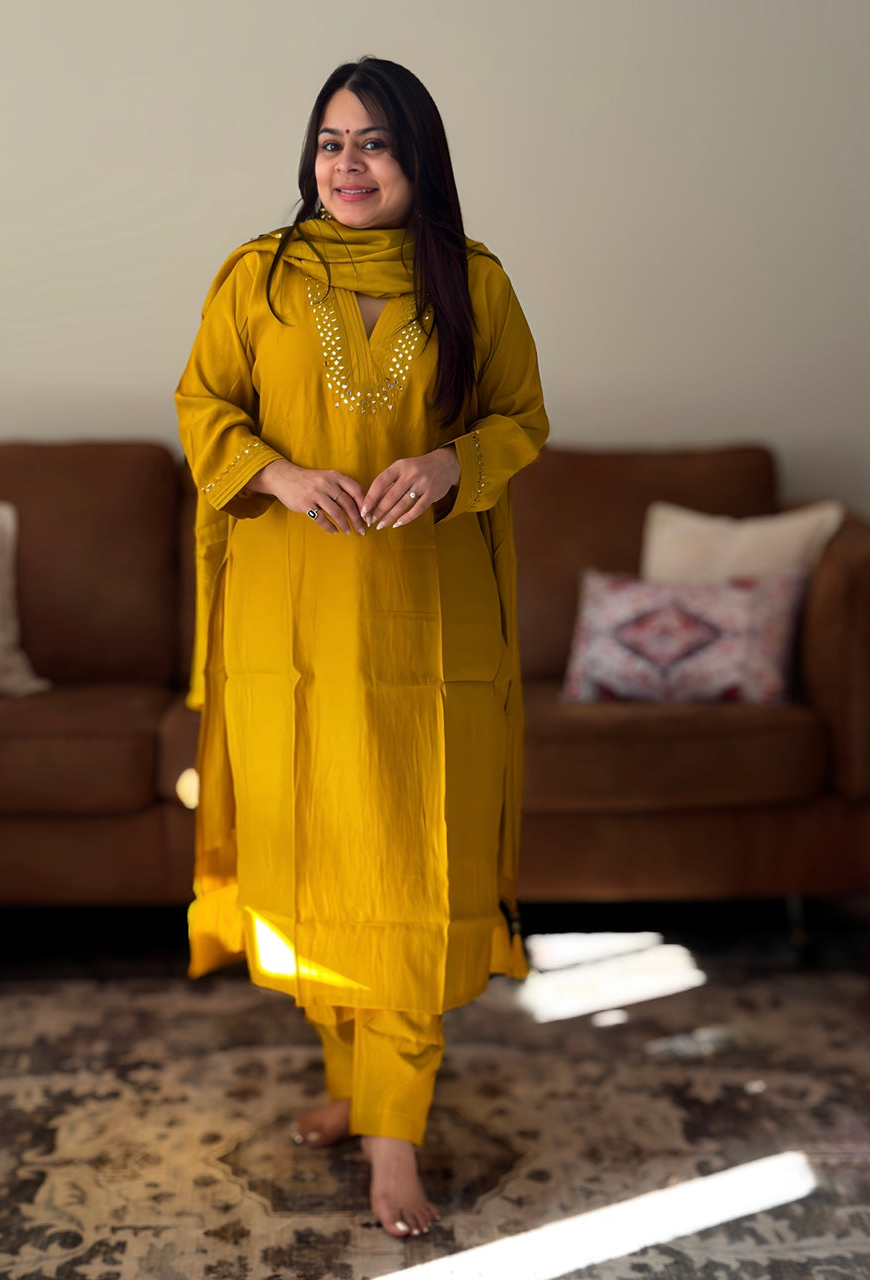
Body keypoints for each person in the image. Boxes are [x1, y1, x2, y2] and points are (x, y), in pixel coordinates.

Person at [175, 56, 548, 1239]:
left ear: (416, 158)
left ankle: (396, 1134)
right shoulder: (259, 276)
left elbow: (520, 421)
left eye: (374, 142)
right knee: (317, 862)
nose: (347, 163)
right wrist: (279, 473)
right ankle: (352, 1082)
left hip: (427, 632)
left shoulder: (473, 281)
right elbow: (203, 408)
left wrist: (448, 463)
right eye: (331, 141)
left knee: (411, 870)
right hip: (287, 628)